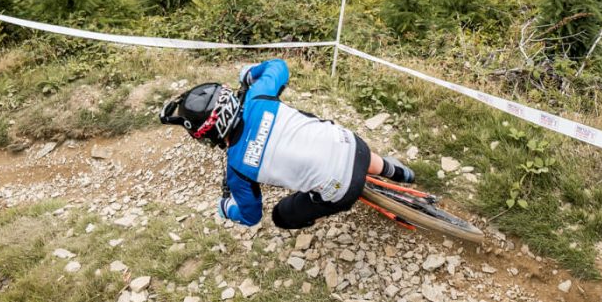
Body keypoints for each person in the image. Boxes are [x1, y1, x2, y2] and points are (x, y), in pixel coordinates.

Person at [159, 58, 414, 230]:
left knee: (281, 216)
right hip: (353, 144)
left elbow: (251, 216)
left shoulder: (236, 169)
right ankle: (398, 171)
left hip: (342, 188)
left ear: (207, 135)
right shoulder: (258, 96)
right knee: (338, 139)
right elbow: (279, 66)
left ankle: (314, 212)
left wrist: (226, 208)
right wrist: (250, 74)